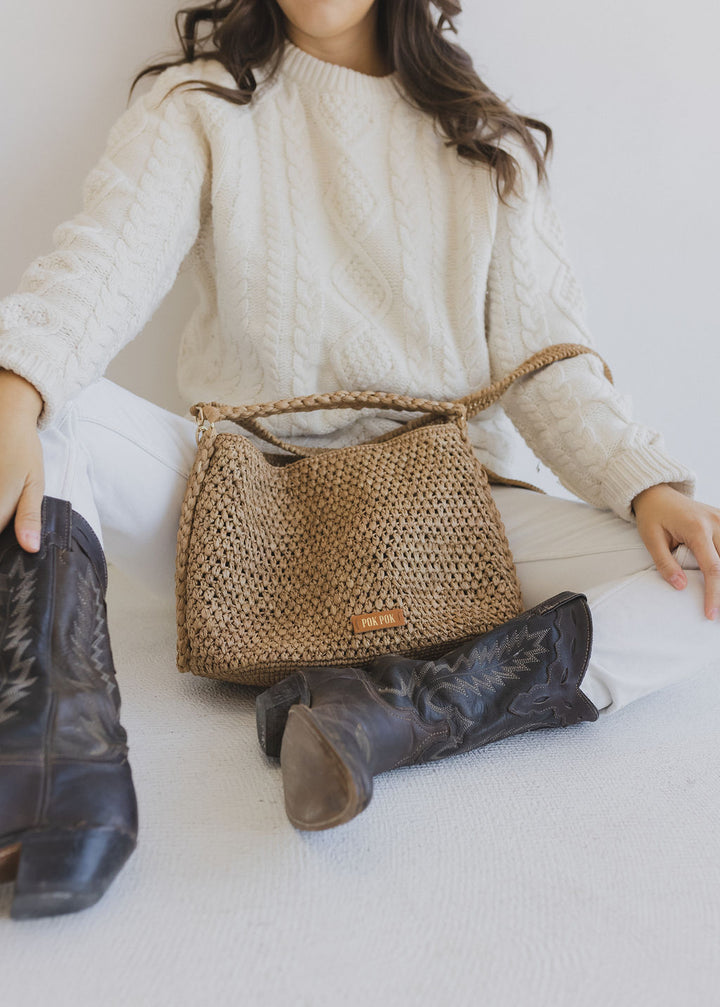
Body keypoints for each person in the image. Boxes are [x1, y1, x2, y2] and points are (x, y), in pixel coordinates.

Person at [0, 0, 718, 911]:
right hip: (242, 516)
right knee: (48, 405)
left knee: (702, 589)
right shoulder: (200, 104)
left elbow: (548, 365)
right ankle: (63, 769)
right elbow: (100, 266)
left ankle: (383, 711)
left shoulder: (486, 143)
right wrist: (17, 388)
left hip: (447, 523)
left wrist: (644, 484)